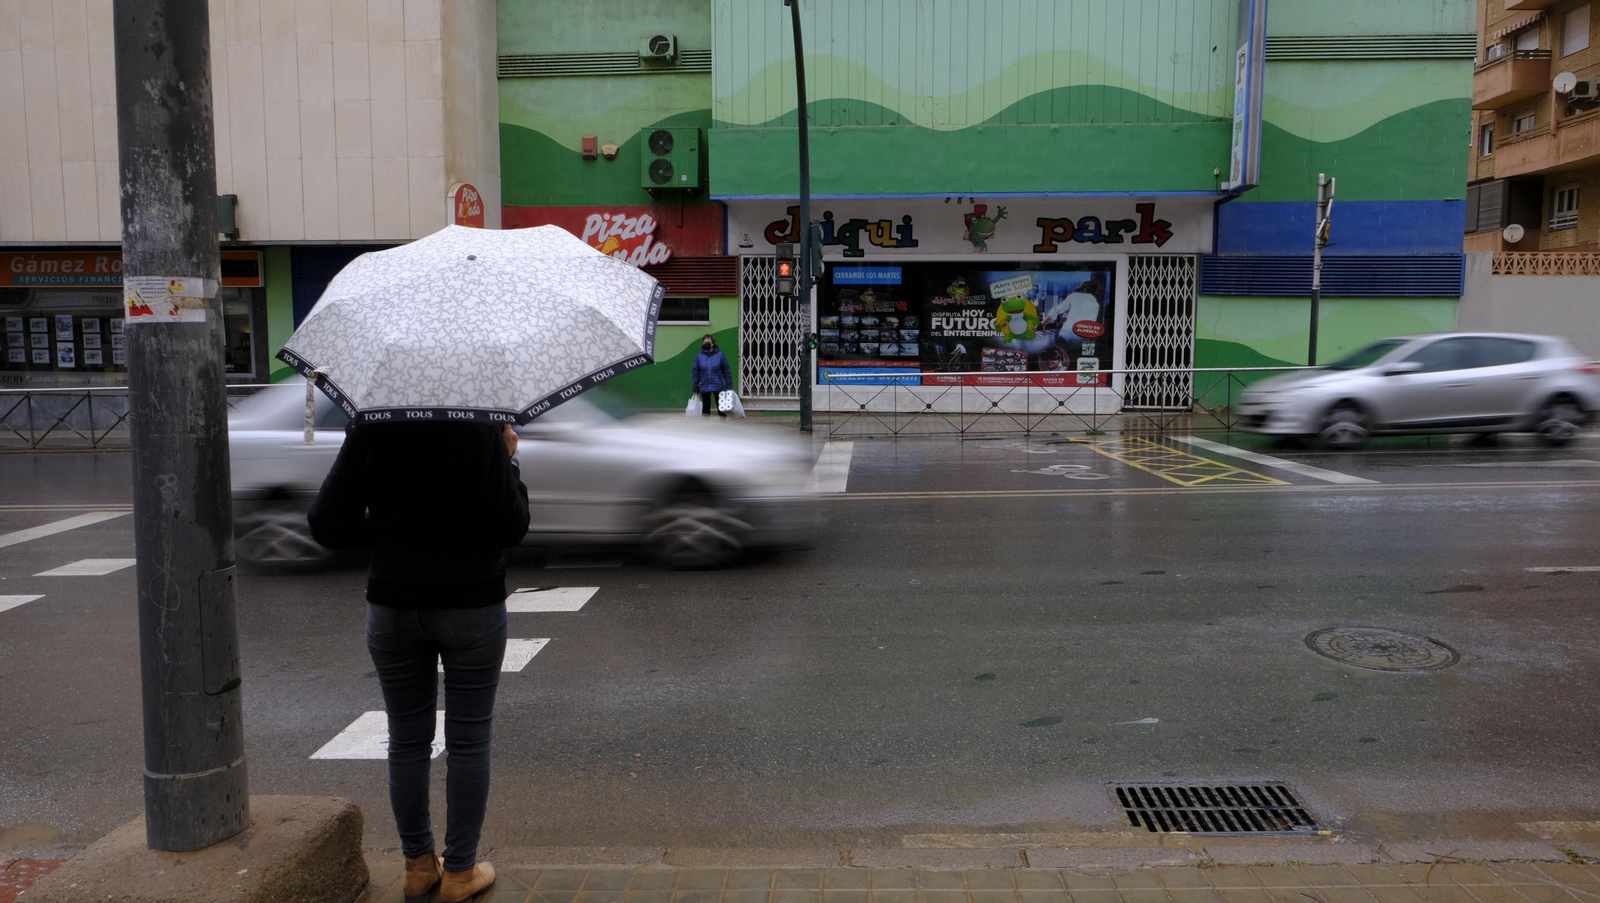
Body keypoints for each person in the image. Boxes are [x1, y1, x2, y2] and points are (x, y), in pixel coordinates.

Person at [308, 420, 529, 903]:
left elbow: (326, 523)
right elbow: (511, 527)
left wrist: (390, 533)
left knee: (406, 740)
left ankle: (417, 867)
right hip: (471, 604)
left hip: (392, 604)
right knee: (469, 740)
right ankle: (461, 873)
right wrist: (508, 456)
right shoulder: (480, 427)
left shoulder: (372, 425)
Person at [691, 334, 733, 418]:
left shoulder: (720, 355)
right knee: (705, 408)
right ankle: (706, 427)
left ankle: (723, 426)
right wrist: (695, 387)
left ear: (713, 343)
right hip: (704, 385)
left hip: (718, 385)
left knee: (721, 408)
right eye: (704, 342)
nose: (706, 343)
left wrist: (729, 386)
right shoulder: (699, 357)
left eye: (708, 342)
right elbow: (695, 373)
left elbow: (726, 371)